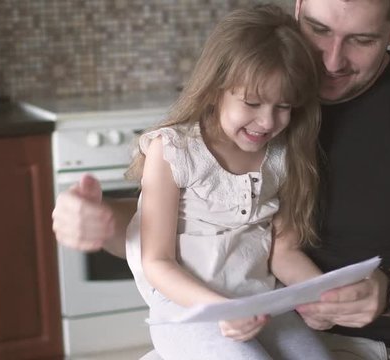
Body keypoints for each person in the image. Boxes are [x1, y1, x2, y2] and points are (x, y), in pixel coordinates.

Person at [52, 1, 390, 359]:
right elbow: (179, 234)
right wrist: (101, 222)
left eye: (362, 39)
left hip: (361, 344)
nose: (332, 61)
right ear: (297, 9)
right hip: (231, 317)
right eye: (318, 30)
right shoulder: (246, 94)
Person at [118, 4, 336, 360]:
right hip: (189, 313)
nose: (267, 122)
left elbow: (283, 251)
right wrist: (223, 309)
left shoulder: (282, 155)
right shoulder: (174, 151)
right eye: (252, 102)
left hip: (260, 303)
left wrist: (320, 295)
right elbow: (157, 262)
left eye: (284, 106)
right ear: (215, 88)